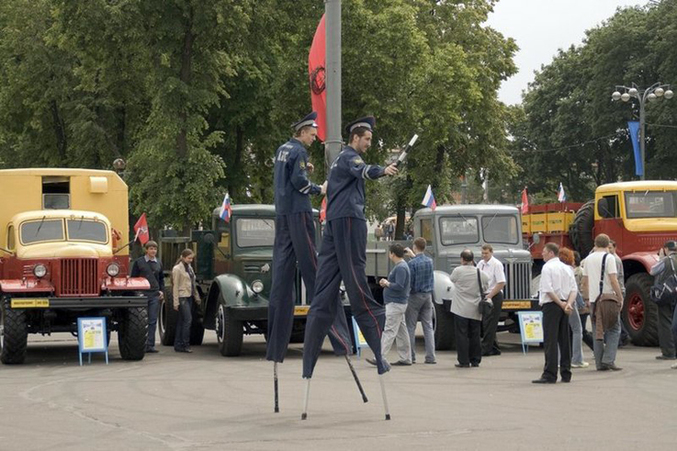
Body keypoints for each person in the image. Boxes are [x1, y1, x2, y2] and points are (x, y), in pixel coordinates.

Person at [302, 116, 398, 379]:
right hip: (348, 220)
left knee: (323, 290)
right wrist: (383, 170)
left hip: (334, 221)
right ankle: (378, 345)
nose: (368, 143)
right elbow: (364, 170)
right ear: (355, 137)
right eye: (366, 139)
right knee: (356, 280)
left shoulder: (337, 160)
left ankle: (311, 355)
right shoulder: (348, 157)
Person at [266, 112, 351, 365]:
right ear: (302, 132)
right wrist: (319, 188)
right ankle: (339, 337)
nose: (314, 139)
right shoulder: (299, 152)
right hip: (299, 213)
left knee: (280, 278)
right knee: (316, 272)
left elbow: (288, 174)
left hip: (282, 214)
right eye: (312, 135)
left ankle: (275, 346)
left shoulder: (283, 150)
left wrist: (305, 170)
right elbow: (300, 182)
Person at [533, 243, 577, 384]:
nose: (542, 254)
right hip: (565, 303)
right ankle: (566, 372)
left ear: (551, 253)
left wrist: (560, 303)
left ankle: (550, 373)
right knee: (564, 339)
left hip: (552, 305)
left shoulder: (548, 267)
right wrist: (568, 304)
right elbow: (573, 289)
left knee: (550, 340)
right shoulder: (567, 268)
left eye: (544, 252)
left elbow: (548, 289)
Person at [581, 234, 624, 371]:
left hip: (594, 300)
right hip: (608, 299)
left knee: (597, 331)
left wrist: (587, 299)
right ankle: (609, 359)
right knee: (614, 329)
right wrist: (620, 296)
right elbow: (613, 280)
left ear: (595, 243)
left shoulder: (588, 259)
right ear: (607, 245)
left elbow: (584, 282)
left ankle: (599, 363)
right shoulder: (609, 258)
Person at [367, 243, 412, 366]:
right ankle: (406, 357)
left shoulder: (401, 267)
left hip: (395, 303)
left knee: (389, 330)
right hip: (399, 303)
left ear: (392, 254)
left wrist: (387, 283)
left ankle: (380, 357)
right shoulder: (402, 266)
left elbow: (400, 285)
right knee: (402, 332)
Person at [450, 249, 488, 368]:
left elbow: (452, 280)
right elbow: (485, 286)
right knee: (475, 335)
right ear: (472, 259)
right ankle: (475, 359)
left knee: (461, 335)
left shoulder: (458, 271)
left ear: (462, 259)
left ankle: (464, 361)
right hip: (475, 308)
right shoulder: (480, 273)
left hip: (460, 308)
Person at [404, 237, 436, 364]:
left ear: (414, 247)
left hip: (415, 296)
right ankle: (431, 357)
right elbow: (421, 264)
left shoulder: (411, 264)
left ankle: (411, 356)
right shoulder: (430, 261)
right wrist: (413, 256)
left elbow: (410, 281)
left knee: (410, 326)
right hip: (427, 295)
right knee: (428, 326)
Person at [130, 240, 164, 353]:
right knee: (140, 320)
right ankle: (140, 344)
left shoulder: (158, 263)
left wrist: (161, 291)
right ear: (146, 250)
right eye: (151, 249)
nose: (153, 251)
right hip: (142, 294)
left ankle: (150, 345)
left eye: (155, 249)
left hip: (154, 294)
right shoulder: (139, 262)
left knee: (152, 320)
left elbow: (161, 279)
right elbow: (133, 278)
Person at [559, 247, 589, 368]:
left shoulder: (556, 269)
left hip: (558, 301)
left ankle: (559, 359)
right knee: (577, 329)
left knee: (560, 331)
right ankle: (577, 359)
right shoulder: (570, 270)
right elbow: (574, 289)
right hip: (570, 301)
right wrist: (581, 303)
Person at [650, 241, 677, 361]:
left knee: (665, 322)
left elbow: (653, 271)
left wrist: (661, 258)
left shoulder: (666, 260)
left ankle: (668, 352)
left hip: (667, 293)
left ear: (666, 249)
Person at [477, 244, 506, 356]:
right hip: (484, 294)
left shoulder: (496, 264)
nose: (484, 255)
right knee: (485, 322)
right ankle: (494, 348)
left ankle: (485, 348)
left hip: (494, 295)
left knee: (490, 322)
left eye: (486, 253)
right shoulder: (480, 264)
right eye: (483, 253)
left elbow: (501, 282)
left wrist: (490, 295)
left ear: (491, 253)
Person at [172, 249, 201, 353]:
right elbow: (175, 286)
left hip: (189, 296)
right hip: (182, 296)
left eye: (192, 258)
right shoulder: (177, 269)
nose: (191, 260)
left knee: (182, 321)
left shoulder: (189, 268)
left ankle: (178, 344)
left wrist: (196, 297)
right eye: (189, 258)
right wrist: (176, 302)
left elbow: (193, 284)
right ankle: (185, 344)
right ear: (183, 257)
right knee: (188, 320)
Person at [609, 240, 629, 347]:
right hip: (618, 290)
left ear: (615, 248)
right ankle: (623, 335)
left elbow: (614, 278)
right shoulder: (612, 259)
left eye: (610, 248)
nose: (608, 250)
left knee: (615, 316)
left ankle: (622, 337)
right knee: (616, 316)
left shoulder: (615, 260)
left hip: (618, 290)